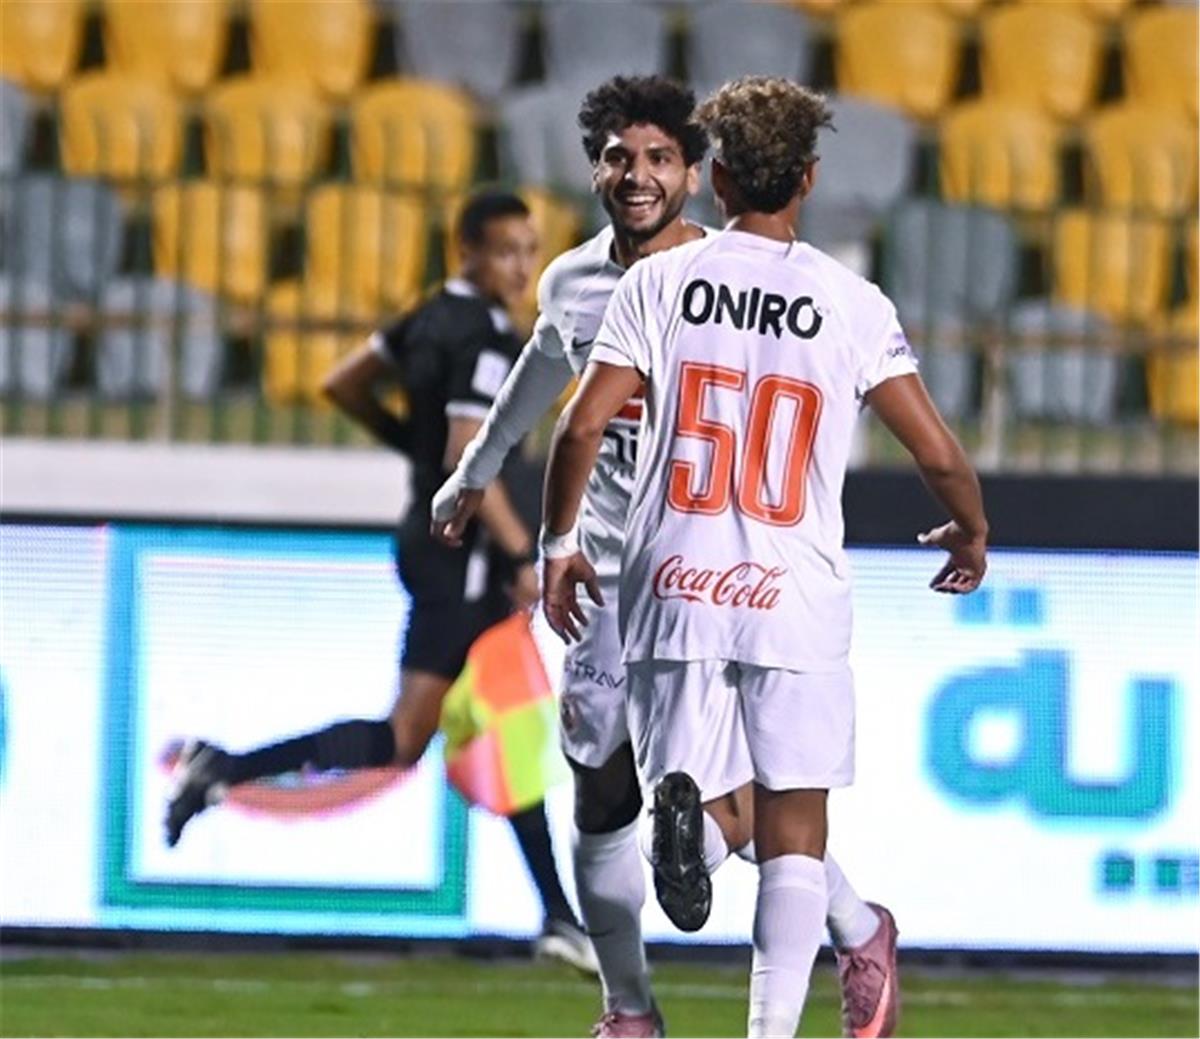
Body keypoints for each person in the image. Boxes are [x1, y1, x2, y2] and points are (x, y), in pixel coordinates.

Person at [433, 77, 897, 1039]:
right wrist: (476, 473)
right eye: (618, 158)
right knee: (602, 786)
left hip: (704, 571)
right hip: (602, 579)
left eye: (658, 159)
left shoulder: (727, 283)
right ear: (595, 170)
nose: (637, 176)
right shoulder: (572, 283)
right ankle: (632, 1006)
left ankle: (851, 931)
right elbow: (539, 381)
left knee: (732, 807)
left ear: (695, 175)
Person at [538, 76, 989, 1039]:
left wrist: (559, 543)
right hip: (792, 587)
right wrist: (970, 528)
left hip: (671, 579)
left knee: (706, 801)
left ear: (719, 179)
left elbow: (580, 427)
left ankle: (691, 838)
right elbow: (938, 452)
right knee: (793, 826)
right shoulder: (851, 301)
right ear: (810, 179)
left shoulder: (658, 283)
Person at [164, 189, 596, 973]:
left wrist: (410, 444)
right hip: (467, 553)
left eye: (530, 251)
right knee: (423, 734)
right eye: (507, 250)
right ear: (468, 250)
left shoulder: (424, 317)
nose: (522, 266)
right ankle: (221, 765)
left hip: (431, 540)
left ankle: (559, 916)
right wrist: (520, 556)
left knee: (488, 725)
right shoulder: (488, 336)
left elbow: (344, 382)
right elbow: (472, 457)